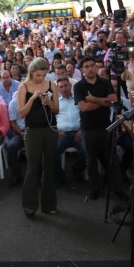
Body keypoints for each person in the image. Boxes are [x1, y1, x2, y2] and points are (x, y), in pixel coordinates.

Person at [73, 56, 125, 201]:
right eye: (86, 66)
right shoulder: (79, 86)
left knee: (111, 160)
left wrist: (93, 99)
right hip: (88, 129)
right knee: (91, 162)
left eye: (92, 66)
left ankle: (118, 189)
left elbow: (113, 101)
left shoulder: (105, 82)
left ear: (96, 68)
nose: (90, 69)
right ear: (83, 70)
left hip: (105, 127)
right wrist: (103, 101)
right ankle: (95, 188)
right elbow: (83, 107)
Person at [17, 57, 59, 215]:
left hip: (50, 129)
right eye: (39, 75)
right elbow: (21, 113)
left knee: (49, 167)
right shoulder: (23, 87)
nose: (42, 78)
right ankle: (29, 206)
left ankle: (49, 205)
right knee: (32, 168)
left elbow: (56, 111)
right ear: (32, 72)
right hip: (32, 131)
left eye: (44, 75)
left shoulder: (51, 85)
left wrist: (49, 103)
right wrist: (33, 98)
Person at [54, 77, 86, 186]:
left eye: (66, 85)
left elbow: (87, 116)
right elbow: (50, 120)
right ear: (58, 89)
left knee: (88, 152)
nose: (64, 88)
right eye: (61, 87)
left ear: (70, 86)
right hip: (63, 134)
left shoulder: (79, 100)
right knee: (52, 152)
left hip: (79, 133)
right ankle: (60, 176)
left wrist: (82, 130)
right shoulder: (56, 103)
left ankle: (76, 169)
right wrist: (55, 131)